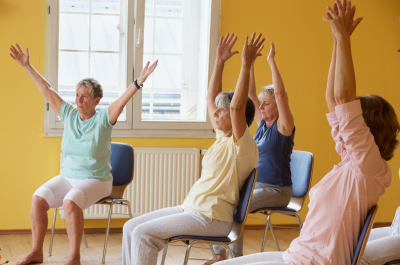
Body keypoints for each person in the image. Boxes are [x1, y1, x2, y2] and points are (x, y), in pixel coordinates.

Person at [215, 0, 399, 264]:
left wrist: (345, 38)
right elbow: (334, 100)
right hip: (297, 254)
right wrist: (337, 40)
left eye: (354, 117)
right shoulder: (352, 160)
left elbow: (343, 96)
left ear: (366, 129)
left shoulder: (368, 166)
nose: (346, 118)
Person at [121, 32, 263, 265]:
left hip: (213, 217)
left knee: (143, 235)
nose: (215, 114)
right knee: (130, 227)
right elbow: (210, 99)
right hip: (191, 208)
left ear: (237, 118)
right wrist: (219, 62)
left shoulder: (244, 146)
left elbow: (237, 107)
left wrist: (246, 64)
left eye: (222, 111)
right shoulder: (222, 137)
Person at [9, 44, 157, 265]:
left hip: (97, 180)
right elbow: (46, 90)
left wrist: (139, 81)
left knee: (70, 201)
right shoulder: (69, 114)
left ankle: (74, 257)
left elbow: (123, 100)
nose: (79, 100)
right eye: (77, 95)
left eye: (85, 97)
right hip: (68, 177)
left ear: (97, 101)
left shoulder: (104, 119)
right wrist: (27, 66)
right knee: (38, 199)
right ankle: (36, 251)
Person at [206, 42, 295, 264]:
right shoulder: (262, 126)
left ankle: (235, 259)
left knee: (238, 206)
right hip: (256, 186)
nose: (261, 107)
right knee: (222, 200)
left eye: (266, 104)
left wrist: (271, 61)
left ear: (278, 106)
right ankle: (219, 255)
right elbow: (251, 95)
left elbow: (281, 94)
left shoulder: (284, 127)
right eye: (261, 105)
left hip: (277, 189)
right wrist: (251, 63)